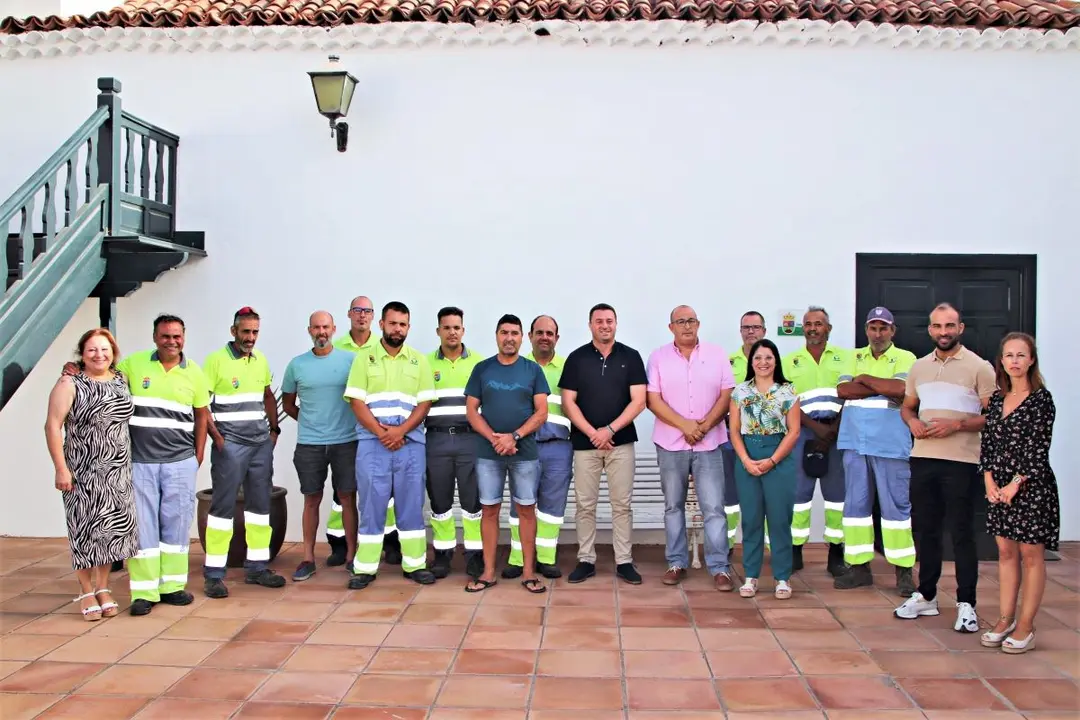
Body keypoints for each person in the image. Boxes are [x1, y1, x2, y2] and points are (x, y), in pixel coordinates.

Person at [896, 303, 996, 633]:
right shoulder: (919, 368)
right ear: (930, 330)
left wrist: (957, 426)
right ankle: (926, 595)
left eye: (950, 326)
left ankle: (966, 603)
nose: (944, 332)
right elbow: (908, 408)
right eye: (938, 326)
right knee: (925, 530)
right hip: (923, 458)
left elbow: (992, 415)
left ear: (961, 328)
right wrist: (911, 423)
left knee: (963, 532)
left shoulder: (979, 367)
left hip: (962, 461)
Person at [118, 316, 210, 615]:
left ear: (184, 337)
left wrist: (197, 456)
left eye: (177, 336)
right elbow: (103, 378)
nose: (172, 341)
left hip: (179, 463)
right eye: (165, 336)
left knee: (176, 523)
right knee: (142, 527)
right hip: (140, 462)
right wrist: (74, 370)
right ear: (155, 337)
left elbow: (201, 416)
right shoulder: (133, 364)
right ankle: (144, 592)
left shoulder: (194, 373)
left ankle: (172, 586)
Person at [44, 328, 139, 621]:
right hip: (83, 471)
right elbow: (52, 426)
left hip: (118, 470)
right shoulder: (69, 383)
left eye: (104, 349)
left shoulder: (121, 379)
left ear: (114, 352)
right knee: (85, 531)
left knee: (111, 532)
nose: (99, 355)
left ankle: (103, 587)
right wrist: (61, 468)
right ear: (82, 354)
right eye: (92, 350)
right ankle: (86, 590)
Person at [344, 301, 437, 589]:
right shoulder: (364, 359)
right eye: (393, 323)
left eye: (403, 324)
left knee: (411, 503)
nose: (398, 329)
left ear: (408, 327)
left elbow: (424, 403)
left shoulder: (419, 361)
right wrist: (383, 433)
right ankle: (366, 568)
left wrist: (400, 432)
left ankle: (415, 564)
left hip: (410, 443)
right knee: (372, 503)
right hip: (373, 444)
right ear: (381, 324)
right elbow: (356, 401)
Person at [646, 305, 736, 590]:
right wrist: (686, 426)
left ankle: (719, 567)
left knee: (713, 508)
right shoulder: (658, 357)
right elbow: (653, 399)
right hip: (671, 444)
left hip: (709, 443)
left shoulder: (717, 354)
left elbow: (726, 395)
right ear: (670, 326)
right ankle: (676, 562)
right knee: (673, 507)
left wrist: (704, 426)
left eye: (692, 321)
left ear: (699, 324)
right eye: (681, 321)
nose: (687, 326)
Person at [979, 332, 1057, 654]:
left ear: (1031, 360)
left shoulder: (1042, 400)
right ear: (1002, 360)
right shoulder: (997, 399)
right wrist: (990, 483)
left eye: (1021, 355)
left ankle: (1026, 626)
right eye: (1009, 355)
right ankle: (1005, 618)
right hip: (999, 489)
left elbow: (1038, 448)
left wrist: (1015, 484)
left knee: (1031, 555)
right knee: (1006, 553)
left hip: (1032, 487)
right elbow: (988, 445)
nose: (1014, 361)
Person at [561, 303, 648, 585]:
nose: (604, 325)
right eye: (599, 321)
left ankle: (624, 561)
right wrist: (592, 433)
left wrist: (609, 429)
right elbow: (568, 402)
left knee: (621, 505)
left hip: (621, 443)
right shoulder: (576, 358)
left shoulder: (631, 357)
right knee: (585, 505)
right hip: (585, 445)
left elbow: (639, 401)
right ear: (590, 325)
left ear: (616, 323)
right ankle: (586, 559)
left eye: (609, 321)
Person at [202, 307, 286, 598]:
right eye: (246, 331)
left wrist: (273, 431)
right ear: (233, 331)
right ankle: (214, 574)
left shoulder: (259, 359)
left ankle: (258, 567)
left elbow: (267, 395)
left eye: (255, 332)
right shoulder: (215, 361)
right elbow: (201, 404)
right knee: (222, 510)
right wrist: (219, 439)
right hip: (231, 446)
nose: (250, 337)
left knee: (260, 508)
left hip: (260, 445)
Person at [834, 307, 918, 595]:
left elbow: (901, 389)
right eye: (873, 327)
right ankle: (859, 569)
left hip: (891, 445)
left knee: (896, 509)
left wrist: (865, 379)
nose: (878, 333)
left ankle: (904, 572)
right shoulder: (852, 356)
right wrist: (881, 385)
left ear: (892, 331)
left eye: (884, 328)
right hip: (855, 444)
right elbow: (844, 391)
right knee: (855, 508)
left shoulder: (906, 357)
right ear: (866, 330)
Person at [463, 314, 550, 593]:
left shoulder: (533, 370)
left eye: (514, 333)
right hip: (488, 454)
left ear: (522, 337)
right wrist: (495, 439)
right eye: (504, 332)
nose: (509, 338)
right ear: (496, 335)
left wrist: (514, 437)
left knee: (526, 510)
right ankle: (488, 572)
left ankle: (528, 573)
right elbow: (471, 411)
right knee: (489, 510)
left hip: (524, 453)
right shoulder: (482, 369)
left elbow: (542, 412)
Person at [281, 311, 359, 582]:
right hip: (310, 444)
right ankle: (307, 558)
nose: (321, 332)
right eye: (316, 327)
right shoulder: (297, 365)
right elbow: (288, 403)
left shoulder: (351, 361)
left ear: (334, 329)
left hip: (346, 441)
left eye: (325, 327)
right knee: (311, 499)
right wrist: (311, 422)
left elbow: (362, 398)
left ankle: (351, 556)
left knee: (347, 497)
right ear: (309, 331)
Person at [729, 339, 801, 600]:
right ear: (751, 362)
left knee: (780, 520)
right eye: (758, 358)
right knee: (751, 520)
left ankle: (782, 578)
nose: (763, 363)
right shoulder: (740, 392)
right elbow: (734, 431)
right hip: (747, 455)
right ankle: (751, 576)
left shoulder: (788, 391)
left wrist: (771, 461)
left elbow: (794, 432)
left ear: (776, 361)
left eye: (768, 358)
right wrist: (746, 460)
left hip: (778, 457)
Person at [781, 306, 850, 577]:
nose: (813, 329)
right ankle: (795, 551)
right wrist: (815, 429)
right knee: (799, 497)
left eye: (818, 324)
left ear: (828, 328)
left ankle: (836, 553)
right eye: (808, 324)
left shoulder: (846, 359)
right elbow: (786, 401)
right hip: (803, 433)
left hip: (838, 432)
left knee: (837, 498)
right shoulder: (789, 361)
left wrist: (832, 429)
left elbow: (851, 397)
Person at [332, 295, 400, 567]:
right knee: (344, 493)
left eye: (367, 311)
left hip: (378, 434)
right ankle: (340, 544)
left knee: (386, 493)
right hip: (346, 433)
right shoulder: (336, 349)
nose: (362, 315)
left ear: (375, 318)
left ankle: (390, 542)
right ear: (349, 314)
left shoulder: (385, 344)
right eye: (357, 311)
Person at [504, 315, 573, 580]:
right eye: (539, 332)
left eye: (550, 333)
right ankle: (518, 558)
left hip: (558, 447)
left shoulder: (568, 367)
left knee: (552, 505)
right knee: (520, 504)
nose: (545, 337)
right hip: (525, 446)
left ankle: (545, 557)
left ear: (557, 337)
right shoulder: (516, 366)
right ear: (529, 336)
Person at [426, 307, 485, 579]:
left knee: (473, 500)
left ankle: (474, 554)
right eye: (446, 327)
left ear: (463, 330)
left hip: (469, 439)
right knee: (440, 500)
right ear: (438, 330)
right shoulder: (425, 364)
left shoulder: (480, 364)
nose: (452, 332)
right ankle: (443, 553)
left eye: (457, 327)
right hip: (436, 439)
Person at [722, 311, 767, 550]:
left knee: (766, 496)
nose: (751, 331)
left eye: (756, 327)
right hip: (733, 439)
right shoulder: (727, 363)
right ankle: (726, 546)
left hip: (766, 440)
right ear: (740, 331)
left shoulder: (774, 363)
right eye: (746, 327)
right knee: (730, 496)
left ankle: (768, 549)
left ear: (764, 331)